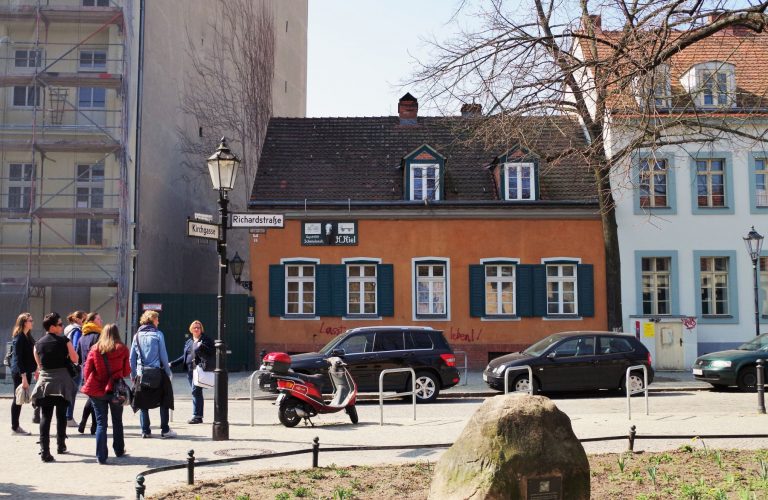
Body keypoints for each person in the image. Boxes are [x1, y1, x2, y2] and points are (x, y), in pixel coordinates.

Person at [29, 312, 78, 462]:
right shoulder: (64, 340)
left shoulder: (38, 344)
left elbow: (39, 365)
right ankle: (61, 445)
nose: (62, 326)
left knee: (46, 416)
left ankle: (44, 451)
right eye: (60, 324)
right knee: (61, 415)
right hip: (62, 381)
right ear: (52, 327)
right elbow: (75, 358)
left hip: (45, 383)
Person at [81, 323, 130, 464]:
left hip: (97, 389)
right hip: (116, 390)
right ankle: (119, 450)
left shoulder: (95, 349)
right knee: (117, 421)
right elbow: (127, 371)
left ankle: (101, 456)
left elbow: (87, 371)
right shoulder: (123, 349)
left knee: (101, 423)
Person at [130, 310, 175, 439]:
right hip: (157, 373)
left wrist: (133, 375)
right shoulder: (158, 334)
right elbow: (163, 356)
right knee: (164, 400)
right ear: (152, 320)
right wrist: (168, 372)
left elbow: (131, 358)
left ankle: (145, 430)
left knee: (142, 402)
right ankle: (165, 430)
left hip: (141, 374)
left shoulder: (136, 336)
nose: (158, 322)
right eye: (157, 319)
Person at [171, 320, 214, 424]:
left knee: (195, 391)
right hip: (190, 370)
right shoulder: (189, 341)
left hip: (199, 369)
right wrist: (172, 363)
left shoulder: (206, 340)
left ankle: (196, 416)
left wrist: (201, 346)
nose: (196, 329)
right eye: (194, 327)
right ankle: (198, 416)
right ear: (191, 329)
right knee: (196, 392)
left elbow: (211, 352)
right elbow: (185, 356)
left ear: (201, 329)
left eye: (198, 327)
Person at [76, 313, 102, 434]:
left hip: (85, 371)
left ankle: (84, 423)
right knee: (95, 399)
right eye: (98, 318)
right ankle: (93, 426)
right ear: (91, 321)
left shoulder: (82, 337)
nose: (100, 320)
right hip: (96, 370)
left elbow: (78, 358)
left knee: (92, 397)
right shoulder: (99, 336)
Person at [10, 313, 36, 436]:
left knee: (20, 399)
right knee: (18, 399)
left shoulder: (28, 337)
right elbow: (18, 359)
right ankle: (15, 427)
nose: (32, 322)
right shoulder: (19, 338)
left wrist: (36, 369)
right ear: (24, 322)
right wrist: (24, 376)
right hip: (20, 373)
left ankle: (16, 426)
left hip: (26, 371)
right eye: (30, 320)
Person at [64, 310, 86, 427]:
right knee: (72, 391)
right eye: (84, 318)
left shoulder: (68, 329)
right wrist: (78, 362)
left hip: (67, 364)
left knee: (67, 391)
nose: (86, 320)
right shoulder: (77, 331)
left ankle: (66, 416)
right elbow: (77, 346)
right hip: (74, 365)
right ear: (78, 319)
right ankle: (69, 417)